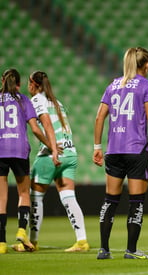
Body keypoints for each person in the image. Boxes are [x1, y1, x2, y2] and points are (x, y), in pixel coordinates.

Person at [93, 47, 148, 260]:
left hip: (114, 150)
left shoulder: (113, 85)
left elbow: (99, 117)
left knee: (110, 200)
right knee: (136, 201)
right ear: (146, 65)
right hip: (136, 149)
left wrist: (97, 147)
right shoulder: (147, 85)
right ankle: (131, 250)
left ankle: (104, 250)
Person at [12, 71, 89, 253]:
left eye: (30, 83)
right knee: (69, 197)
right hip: (70, 153)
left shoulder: (37, 100)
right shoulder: (57, 102)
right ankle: (82, 240)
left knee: (34, 197)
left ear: (34, 85)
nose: (28, 87)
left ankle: (32, 242)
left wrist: (53, 149)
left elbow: (46, 125)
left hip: (51, 154)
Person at [0, 68, 58, 254]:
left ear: (3, 81)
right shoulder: (24, 100)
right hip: (19, 150)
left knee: (1, 198)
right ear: (18, 84)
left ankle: (1, 243)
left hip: (1, 150)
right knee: (24, 192)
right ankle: (21, 231)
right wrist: (50, 145)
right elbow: (34, 128)